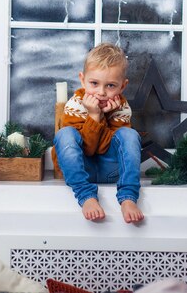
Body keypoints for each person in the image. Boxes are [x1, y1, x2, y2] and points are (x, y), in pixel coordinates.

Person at [53, 43, 144, 223]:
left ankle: (128, 197)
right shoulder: (75, 105)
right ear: (82, 79)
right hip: (80, 169)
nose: (101, 92)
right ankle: (86, 197)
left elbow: (103, 149)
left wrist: (104, 115)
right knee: (65, 134)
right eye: (94, 83)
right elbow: (88, 148)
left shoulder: (121, 108)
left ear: (123, 86)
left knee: (129, 135)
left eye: (111, 85)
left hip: (110, 170)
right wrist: (95, 116)